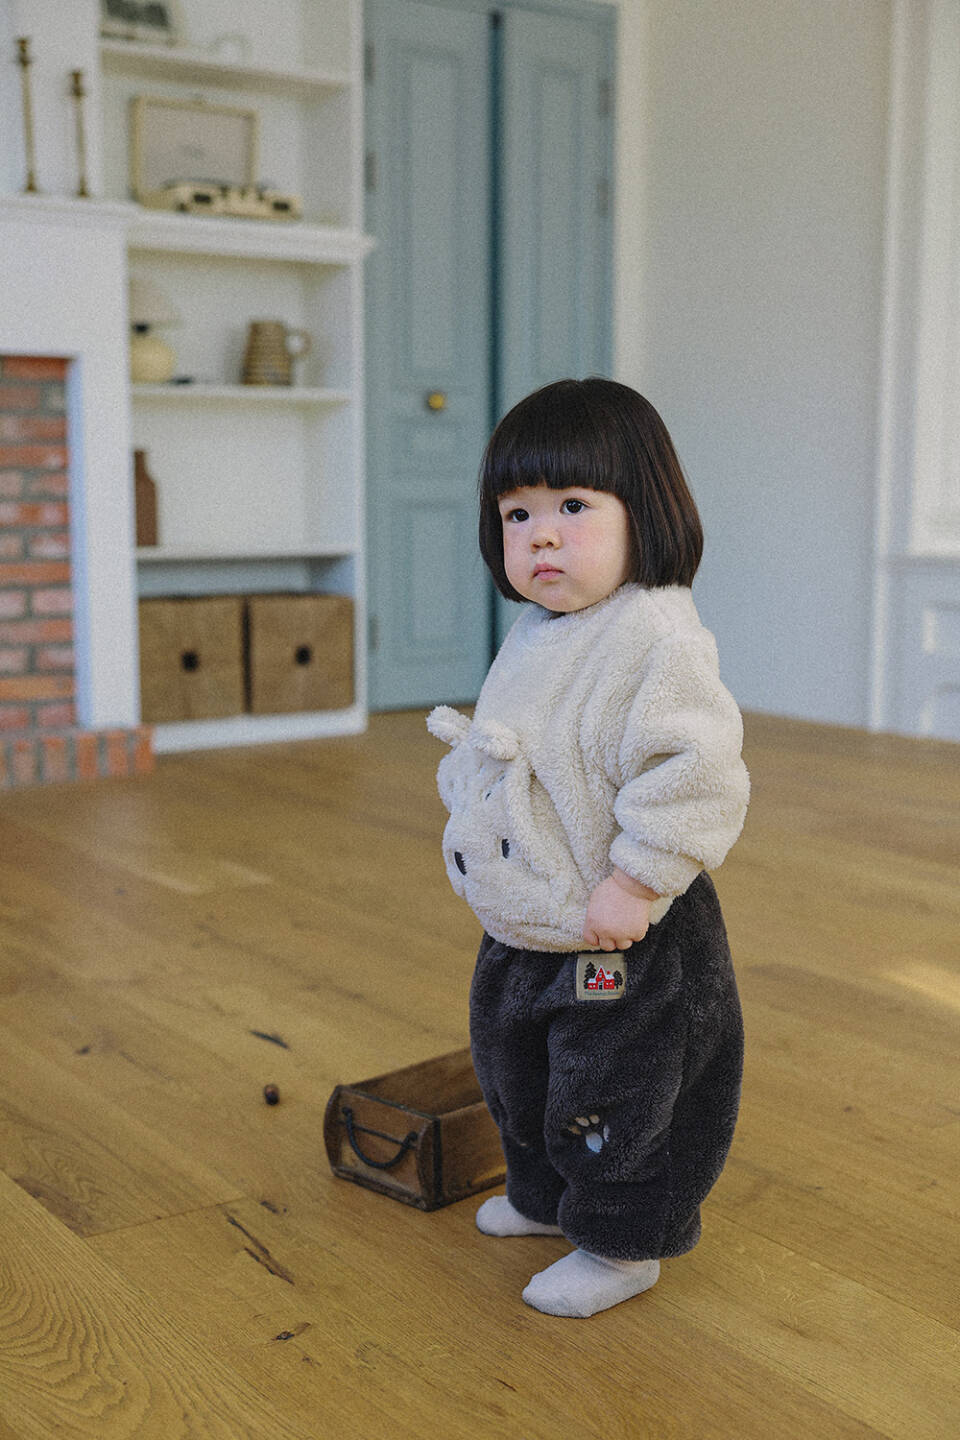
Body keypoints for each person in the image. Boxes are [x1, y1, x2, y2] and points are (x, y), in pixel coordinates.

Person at [427, 378, 750, 1318]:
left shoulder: (657, 637)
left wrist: (637, 880)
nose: (541, 536)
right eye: (517, 513)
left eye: (573, 506)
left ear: (644, 510)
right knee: (515, 1069)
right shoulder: (538, 631)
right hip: (528, 919)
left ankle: (620, 1240)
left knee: (614, 1090)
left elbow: (696, 772)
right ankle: (542, 1196)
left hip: (621, 930)